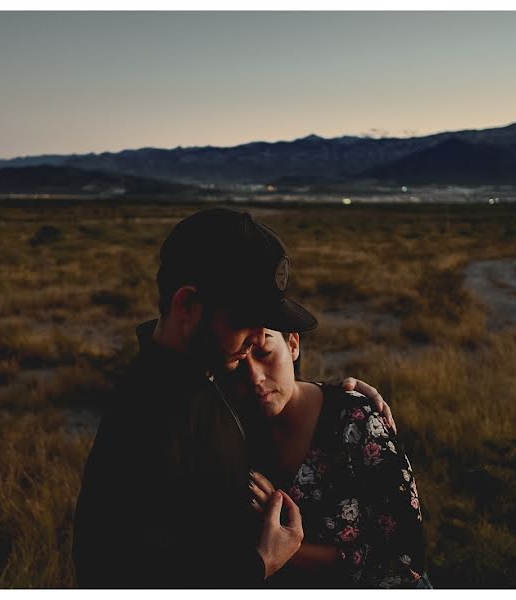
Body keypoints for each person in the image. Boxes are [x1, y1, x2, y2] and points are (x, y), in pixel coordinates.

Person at [72, 208, 396, 588]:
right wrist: (260, 562)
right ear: (187, 305)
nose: (260, 338)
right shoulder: (150, 419)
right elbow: (114, 572)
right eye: (248, 318)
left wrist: (336, 396)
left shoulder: (210, 374)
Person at [227, 329, 431, 588]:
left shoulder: (357, 422)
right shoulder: (227, 424)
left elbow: (405, 559)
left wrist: (282, 551)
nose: (255, 376)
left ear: (293, 344)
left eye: (265, 353)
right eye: (238, 359)